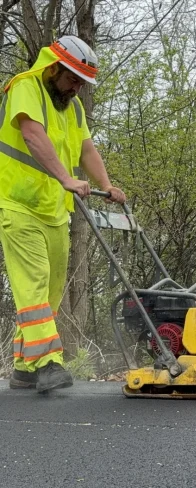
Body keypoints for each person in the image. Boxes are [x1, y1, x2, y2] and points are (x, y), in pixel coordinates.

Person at [0, 35, 126, 392]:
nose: (76, 88)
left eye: (82, 83)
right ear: (54, 68)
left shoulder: (73, 109)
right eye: (73, 79)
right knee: (33, 284)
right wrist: (66, 177)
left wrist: (107, 185)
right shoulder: (26, 87)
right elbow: (31, 134)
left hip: (54, 210)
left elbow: (86, 148)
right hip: (17, 204)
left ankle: (25, 365)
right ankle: (48, 362)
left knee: (51, 292)